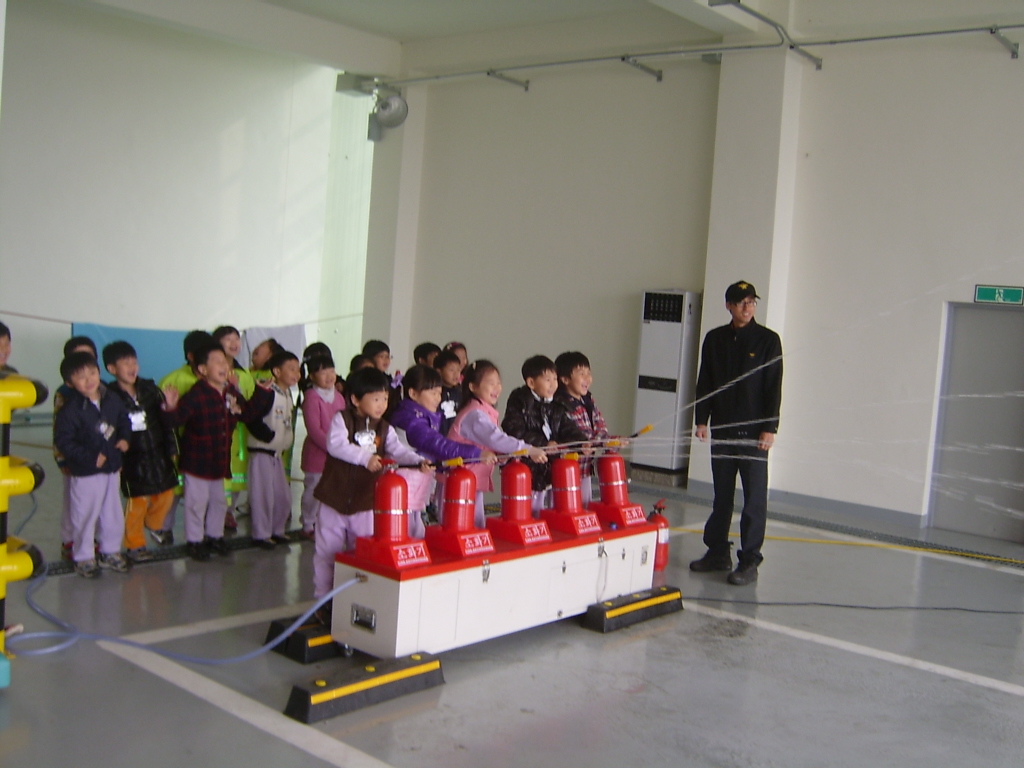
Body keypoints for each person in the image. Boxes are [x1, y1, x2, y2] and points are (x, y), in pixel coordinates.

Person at [310, 367, 431, 614]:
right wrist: (365, 458)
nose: (381, 404)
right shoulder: (341, 420)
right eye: (375, 398)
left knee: (362, 552)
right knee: (326, 551)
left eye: (385, 398)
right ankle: (323, 600)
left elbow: (398, 451)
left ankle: (354, 600)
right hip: (333, 498)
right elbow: (336, 445)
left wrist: (417, 461)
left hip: (366, 502)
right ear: (355, 399)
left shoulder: (385, 428)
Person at [690, 281, 783, 586]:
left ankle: (749, 560)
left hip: (755, 433)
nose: (747, 307)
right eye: (741, 302)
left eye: (751, 302)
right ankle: (718, 552)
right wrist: (701, 420)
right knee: (722, 496)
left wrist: (770, 428)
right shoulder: (715, 339)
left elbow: (773, 387)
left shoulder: (768, 340)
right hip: (723, 428)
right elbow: (705, 381)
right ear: (728, 306)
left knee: (754, 499)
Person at [162, 343, 272, 561]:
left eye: (225, 362)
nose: (224, 366)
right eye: (218, 362)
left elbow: (246, 414)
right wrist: (170, 407)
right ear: (203, 369)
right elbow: (175, 420)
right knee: (196, 504)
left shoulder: (229, 392)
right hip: (197, 463)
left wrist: (261, 392)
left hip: (219, 461)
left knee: (219, 502)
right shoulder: (196, 395)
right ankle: (194, 541)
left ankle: (215, 536)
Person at [390, 365, 496, 534]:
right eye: (433, 393)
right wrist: (476, 453)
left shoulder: (423, 417)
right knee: (407, 533)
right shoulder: (410, 420)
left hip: (414, 488)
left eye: (439, 393)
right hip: (403, 488)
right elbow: (438, 445)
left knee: (416, 530)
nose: (437, 399)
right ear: (413, 394)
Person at [53, 351, 132, 578]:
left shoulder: (111, 399)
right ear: (70, 383)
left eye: (92, 373)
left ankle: (110, 551)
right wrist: (89, 457)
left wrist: (125, 438)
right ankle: (83, 557)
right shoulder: (70, 410)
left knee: (112, 513)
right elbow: (64, 442)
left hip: (112, 469)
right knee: (85, 515)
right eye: (81, 377)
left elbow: (123, 419)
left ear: (99, 372)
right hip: (86, 473)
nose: (89, 380)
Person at [103, 341, 179, 564]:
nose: (132, 367)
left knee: (167, 493)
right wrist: (115, 457)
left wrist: (172, 447)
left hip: (158, 453)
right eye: (126, 363)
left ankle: (154, 524)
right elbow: (109, 428)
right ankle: (135, 545)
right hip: (131, 458)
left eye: (134, 362)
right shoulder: (110, 397)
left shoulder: (150, 390)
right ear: (111, 369)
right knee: (137, 504)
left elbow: (165, 422)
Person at [449, 360, 547, 527]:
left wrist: (502, 455)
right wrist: (528, 449)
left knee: (475, 525)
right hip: (460, 482)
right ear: (473, 387)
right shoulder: (475, 414)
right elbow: (496, 438)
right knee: (462, 526)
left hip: (470, 480)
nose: (497, 388)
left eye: (498, 383)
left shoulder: (484, 411)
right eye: (491, 383)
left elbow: (490, 444)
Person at [502, 355, 587, 514]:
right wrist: (543, 444)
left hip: (551, 463)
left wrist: (581, 442)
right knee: (529, 507)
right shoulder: (520, 401)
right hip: (528, 464)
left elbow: (567, 427)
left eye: (555, 379)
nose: (553, 384)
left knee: (554, 505)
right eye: (548, 380)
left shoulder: (557, 403)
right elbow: (514, 430)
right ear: (531, 383)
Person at [155, 329, 214, 545]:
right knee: (174, 490)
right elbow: (162, 417)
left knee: (202, 494)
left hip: (202, 448)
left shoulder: (215, 379)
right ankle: (163, 528)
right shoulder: (174, 380)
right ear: (190, 356)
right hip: (177, 447)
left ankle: (204, 532)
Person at [245, 350, 300, 549]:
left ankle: (277, 530)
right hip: (262, 452)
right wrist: (268, 436)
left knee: (282, 496)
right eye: (291, 369)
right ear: (276, 371)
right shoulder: (267, 392)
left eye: (298, 370)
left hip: (276, 454)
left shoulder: (287, 394)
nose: (296, 374)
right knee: (263, 496)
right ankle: (261, 534)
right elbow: (251, 418)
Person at [54, 336, 99, 561]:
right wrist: (61, 458)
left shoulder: (102, 390)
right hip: (74, 458)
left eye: (88, 356)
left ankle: (93, 540)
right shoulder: (65, 393)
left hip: (99, 459)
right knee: (73, 501)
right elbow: (59, 429)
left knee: (97, 502)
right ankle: (70, 540)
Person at [214, 325, 257, 532]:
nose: (234, 343)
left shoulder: (244, 374)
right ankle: (215, 515)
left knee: (237, 476)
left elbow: (249, 404)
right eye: (228, 339)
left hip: (239, 434)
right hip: (218, 433)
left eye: (237, 339)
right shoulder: (211, 371)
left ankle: (228, 512)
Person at [554, 351, 612, 506]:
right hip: (566, 470)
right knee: (566, 507)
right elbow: (576, 434)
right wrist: (595, 442)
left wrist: (609, 441)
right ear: (565, 379)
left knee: (585, 506)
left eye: (589, 373)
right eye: (582, 374)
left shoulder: (588, 401)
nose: (587, 378)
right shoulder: (560, 404)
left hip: (585, 468)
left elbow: (600, 426)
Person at [298, 352, 344, 541]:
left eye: (331, 371)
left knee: (332, 491)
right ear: (312, 376)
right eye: (323, 372)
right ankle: (308, 524)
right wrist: (334, 447)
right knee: (314, 491)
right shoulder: (311, 397)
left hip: (337, 454)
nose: (329, 376)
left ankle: (325, 524)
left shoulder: (339, 397)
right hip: (318, 455)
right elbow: (314, 430)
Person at [433, 350, 463, 436]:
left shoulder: (460, 392)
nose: (456, 374)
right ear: (439, 371)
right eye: (451, 370)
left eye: (458, 370)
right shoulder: (434, 392)